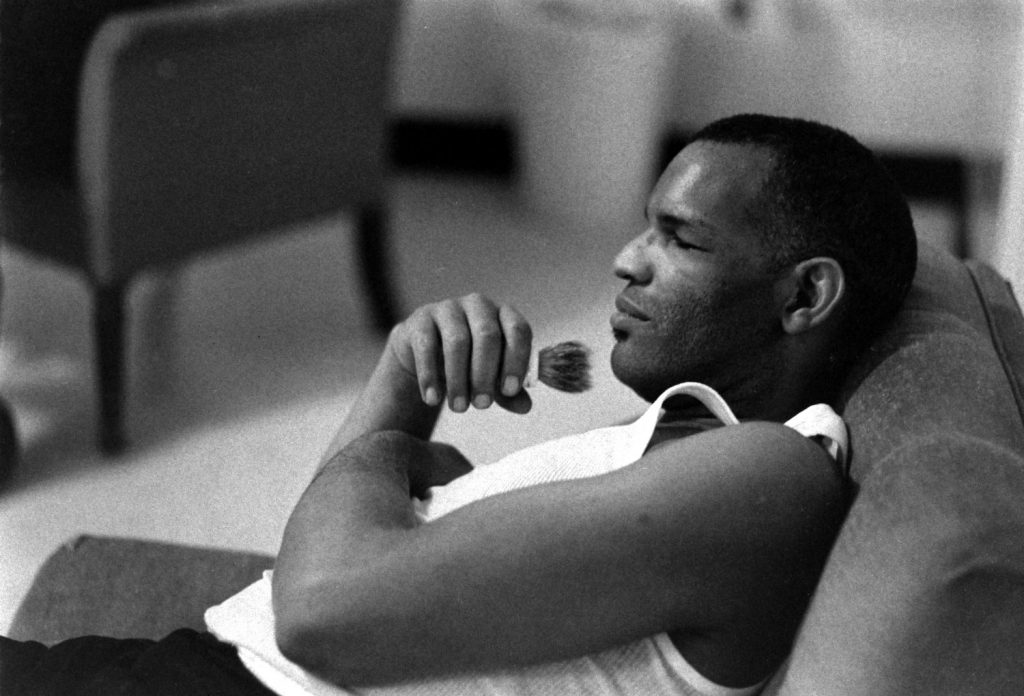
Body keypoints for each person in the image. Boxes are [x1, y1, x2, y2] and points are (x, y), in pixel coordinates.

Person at [0, 113, 918, 696]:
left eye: (679, 239)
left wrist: (393, 437)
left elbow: (321, 613)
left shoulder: (772, 473)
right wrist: (401, 396)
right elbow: (317, 564)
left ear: (803, 299)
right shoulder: (696, 452)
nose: (626, 260)